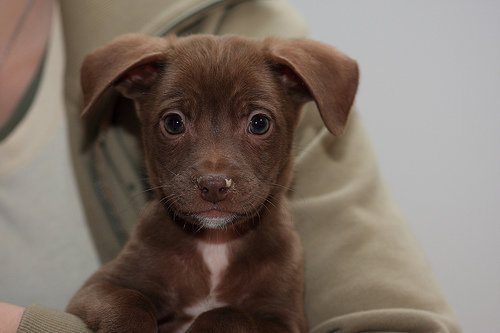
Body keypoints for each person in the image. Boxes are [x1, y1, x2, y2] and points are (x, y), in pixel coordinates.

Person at [0, 1, 461, 332]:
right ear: (133, 86)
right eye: (175, 122)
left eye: (257, 123)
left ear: (300, 91)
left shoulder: (279, 256)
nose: (214, 174)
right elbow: (96, 297)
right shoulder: (154, 241)